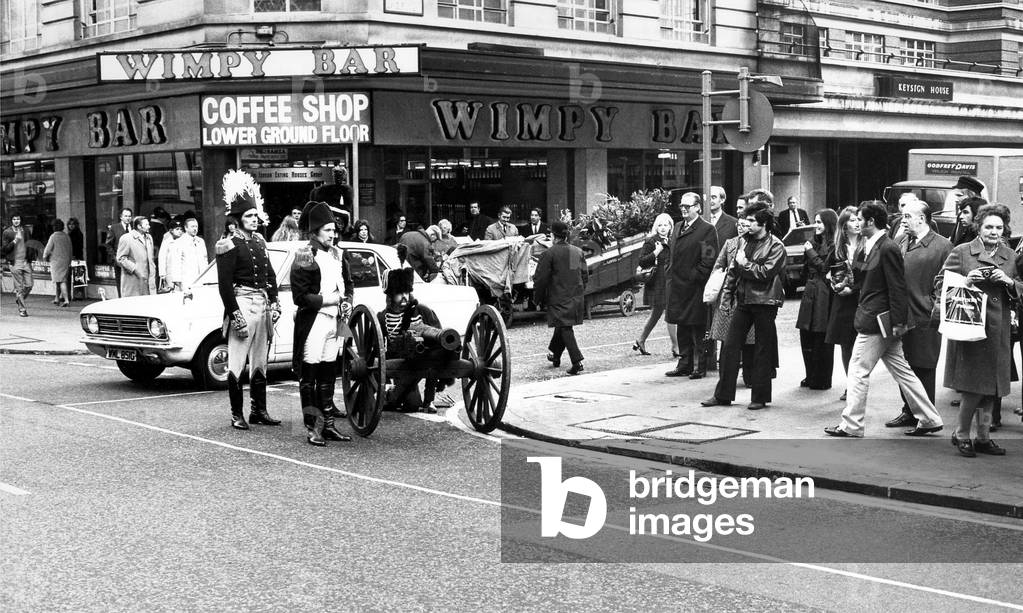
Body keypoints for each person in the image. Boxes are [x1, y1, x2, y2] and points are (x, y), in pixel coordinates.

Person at [824, 202, 944, 438]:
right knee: (903, 372)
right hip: (881, 319)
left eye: (859, 219)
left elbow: (897, 286)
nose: (856, 223)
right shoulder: (870, 245)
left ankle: (851, 425)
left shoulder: (887, 247)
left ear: (870, 222)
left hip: (878, 320)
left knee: (858, 370)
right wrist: (847, 285)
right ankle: (929, 418)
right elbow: (864, 279)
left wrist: (899, 322)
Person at [937, 204, 1019, 457]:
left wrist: (1009, 282)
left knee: (992, 388)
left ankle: (983, 437)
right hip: (970, 327)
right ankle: (961, 433)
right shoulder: (962, 252)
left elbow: (1019, 290)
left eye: (998, 227)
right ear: (979, 227)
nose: (994, 232)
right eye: (988, 227)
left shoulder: (1010, 255)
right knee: (973, 387)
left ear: (1004, 228)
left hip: (1000, 328)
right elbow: (940, 283)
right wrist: (967, 280)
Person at [701, 202, 786, 410]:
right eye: (746, 220)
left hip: (765, 302)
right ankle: (723, 395)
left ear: (763, 224)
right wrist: (727, 296)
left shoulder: (776, 245)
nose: (746, 224)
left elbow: (765, 273)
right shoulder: (742, 241)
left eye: (751, 221)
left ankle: (760, 396)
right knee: (730, 346)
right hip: (744, 300)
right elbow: (732, 272)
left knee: (762, 350)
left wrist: (744, 263)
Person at [216, 169, 282, 431]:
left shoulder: (260, 242)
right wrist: (236, 317)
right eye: (249, 216)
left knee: (260, 362)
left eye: (255, 215)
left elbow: (271, 275)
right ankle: (236, 414)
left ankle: (259, 410)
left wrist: (275, 302)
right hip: (242, 303)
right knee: (236, 363)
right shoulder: (228, 244)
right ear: (238, 219)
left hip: (262, 305)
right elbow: (224, 287)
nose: (254, 219)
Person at [881, 200, 953, 429]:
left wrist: (933, 305)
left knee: (924, 365)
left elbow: (948, 282)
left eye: (907, 216)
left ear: (922, 218)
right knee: (905, 365)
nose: (903, 220)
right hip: (903, 314)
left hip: (925, 316)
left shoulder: (942, 246)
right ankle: (909, 411)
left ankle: (925, 415)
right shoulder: (901, 240)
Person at [291, 201, 354, 446]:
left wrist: (347, 301)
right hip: (315, 320)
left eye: (333, 230)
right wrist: (331, 299)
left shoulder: (338, 254)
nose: (332, 234)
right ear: (316, 231)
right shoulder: (305, 254)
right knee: (310, 375)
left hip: (335, 321)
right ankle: (312, 427)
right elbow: (300, 296)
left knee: (328, 373)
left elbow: (348, 284)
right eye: (327, 230)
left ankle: (328, 425)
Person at [378, 267, 451, 412]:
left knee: (434, 356)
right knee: (412, 405)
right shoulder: (382, 317)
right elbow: (377, 351)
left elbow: (439, 341)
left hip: (423, 358)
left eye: (406, 292)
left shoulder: (422, 311)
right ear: (391, 295)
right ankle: (391, 396)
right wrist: (385, 382)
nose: (404, 296)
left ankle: (429, 400)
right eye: (399, 293)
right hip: (399, 364)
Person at [664, 192, 719, 378]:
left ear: (697, 207)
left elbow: (709, 259)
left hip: (695, 288)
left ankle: (699, 366)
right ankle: (684, 363)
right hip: (678, 287)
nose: (684, 209)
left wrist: (694, 276)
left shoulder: (707, 230)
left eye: (688, 206)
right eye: (682, 206)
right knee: (682, 327)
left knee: (697, 328)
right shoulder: (678, 226)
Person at [534, 220, 588, 375]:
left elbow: (541, 279)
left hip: (558, 297)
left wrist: (537, 299)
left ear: (553, 235)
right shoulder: (576, 252)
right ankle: (555, 355)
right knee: (562, 325)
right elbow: (584, 275)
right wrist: (579, 292)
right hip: (575, 297)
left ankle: (577, 361)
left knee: (564, 327)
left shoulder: (549, 254)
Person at [796, 209, 838, 390]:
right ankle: (810, 374)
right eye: (815, 221)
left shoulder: (834, 245)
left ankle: (821, 378)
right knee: (806, 333)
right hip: (811, 290)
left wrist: (811, 252)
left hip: (823, 292)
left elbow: (825, 268)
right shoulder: (813, 242)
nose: (816, 225)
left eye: (820, 222)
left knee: (821, 334)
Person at [825, 206, 863, 398]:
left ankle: (858, 385)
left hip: (862, 299)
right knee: (847, 346)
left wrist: (853, 288)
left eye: (859, 219)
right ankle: (851, 385)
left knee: (861, 347)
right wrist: (835, 283)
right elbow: (828, 271)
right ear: (844, 225)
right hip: (843, 302)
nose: (857, 223)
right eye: (853, 220)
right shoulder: (838, 248)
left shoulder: (867, 245)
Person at [633, 213, 673, 356]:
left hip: (670, 280)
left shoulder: (672, 240)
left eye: (666, 225)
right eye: (660, 225)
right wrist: (657, 251)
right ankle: (676, 347)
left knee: (659, 313)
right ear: (656, 227)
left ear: (670, 226)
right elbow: (642, 261)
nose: (663, 228)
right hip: (658, 281)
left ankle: (641, 340)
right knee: (667, 313)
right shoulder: (651, 241)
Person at [2, 215, 36, 317]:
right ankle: (22, 309)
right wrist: (15, 241)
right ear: (11, 220)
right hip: (15, 263)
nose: (16, 221)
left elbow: (30, 245)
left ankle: (19, 299)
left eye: (18, 219)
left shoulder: (25, 230)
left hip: (26, 262)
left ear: (21, 220)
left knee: (29, 285)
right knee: (19, 288)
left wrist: (31, 259)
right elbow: (5, 249)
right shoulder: (7, 232)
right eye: (14, 219)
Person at [116, 216, 157, 298]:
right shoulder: (127, 238)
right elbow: (121, 258)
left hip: (149, 278)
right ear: (139, 226)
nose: (149, 226)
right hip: (133, 278)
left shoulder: (149, 238)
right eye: (146, 224)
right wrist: (135, 269)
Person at [167, 217, 209, 292]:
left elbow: (205, 259)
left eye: (196, 226)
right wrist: (177, 280)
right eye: (192, 226)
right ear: (186, 228)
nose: (195, 229)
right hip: (186, 279)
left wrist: (206, 276)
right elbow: (176, 262)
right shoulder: (179, 242)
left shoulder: (200, 241)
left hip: (201, 278)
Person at [42, 219, 73, 307]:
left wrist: (44, 257)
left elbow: (47, 249)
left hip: (56, 261)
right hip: (65, 261)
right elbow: (70, 249)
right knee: (59, 280)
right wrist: (69, 260)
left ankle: (66, 300)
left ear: (54, 227)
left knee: (61, 280)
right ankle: (57, 298)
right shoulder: (67, 236)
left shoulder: (53, 236)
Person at [106, 208, 133, 290]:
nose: (128, 218)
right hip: (119, 262)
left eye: (129, 216)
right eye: (125, 216)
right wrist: (115, 259)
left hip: (132, 261)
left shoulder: (134, 228)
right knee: (121, 285)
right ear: (121, 217)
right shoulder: (114, 228)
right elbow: (108, 245)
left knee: (131, 285)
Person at [157, 218, 184, 292]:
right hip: (170, 273)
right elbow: (162, 257)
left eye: (181, 229)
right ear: (171, 230)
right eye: (177, 229)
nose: (180, 231)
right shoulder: (167, 242)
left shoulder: (184, 242)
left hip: (182, 272)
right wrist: (162, 273)